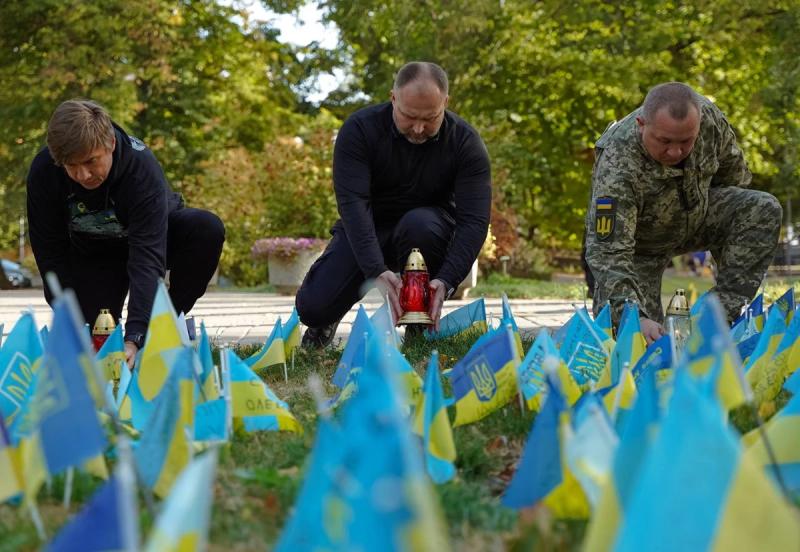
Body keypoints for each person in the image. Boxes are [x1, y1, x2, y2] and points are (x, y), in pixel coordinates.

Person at [296, 61, 492, 347]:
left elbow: (474, 221)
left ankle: (418, 326)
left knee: (419, 223)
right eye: (409, 116)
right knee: (314, 307)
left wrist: (447, 280)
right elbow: (353, 204)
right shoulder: (359, 130)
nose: (418, 128)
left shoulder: (466, 142)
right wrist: (375, 268)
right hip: (369, 226)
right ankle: (323, 323)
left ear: (446, 103)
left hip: (426, 231)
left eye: (430, 118)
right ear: (393, 98)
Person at [27, 99, 225, 365]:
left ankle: (164, 324)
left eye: (90, 161)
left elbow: (147, 256)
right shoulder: (44, 171)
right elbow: (50, 252)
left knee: (206, 229)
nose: (83, 175)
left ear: (110, 144)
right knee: (96, 336)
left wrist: (136, 334)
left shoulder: (140, 167)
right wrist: (72, 322)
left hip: (151, 240)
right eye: (71, 167)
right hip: (95, 255)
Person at [584, 82, 781, 343]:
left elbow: (734, 182)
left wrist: (728, 259)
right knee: (639, 340)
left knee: (762, 208)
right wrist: (635, 317)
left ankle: (717, 319)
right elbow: (608, 250)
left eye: (686, 141)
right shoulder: (618, 162)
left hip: (697, 219)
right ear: (642, 125)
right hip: (639, 249)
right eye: (664, 141)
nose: (675, 152)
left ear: (698, 124)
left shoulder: (711, 120)